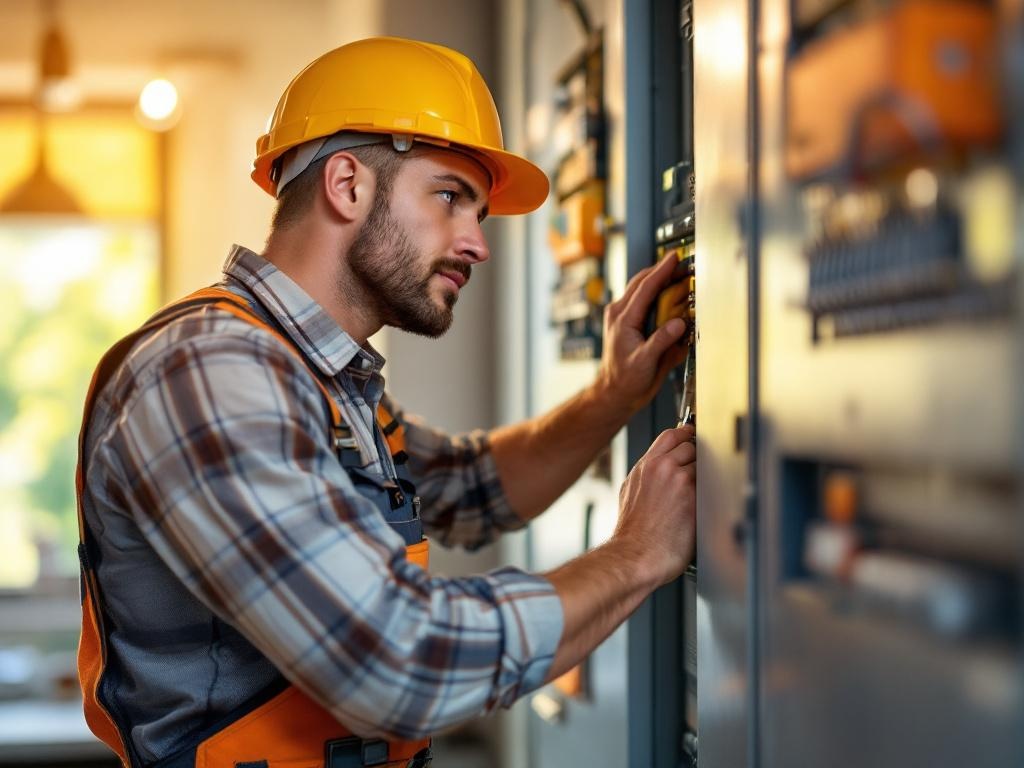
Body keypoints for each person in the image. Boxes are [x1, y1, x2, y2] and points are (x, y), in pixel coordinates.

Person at [76, 36, 696, 768]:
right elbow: (399, 665)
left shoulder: (322, 380)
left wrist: (614, 394)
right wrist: (634, 556)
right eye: (450, 198)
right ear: (347, 185)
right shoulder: (208, 372)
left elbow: (475, 487)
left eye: (479, 214)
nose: (477, 244)